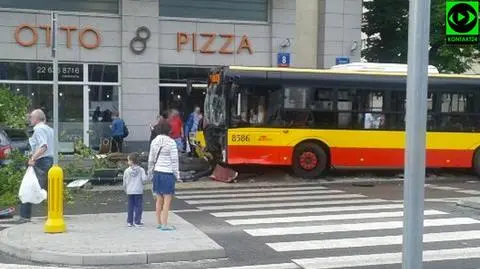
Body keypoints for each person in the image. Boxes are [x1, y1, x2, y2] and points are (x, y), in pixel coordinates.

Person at [20, 109, 54, 222]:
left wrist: (33, 158)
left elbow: (43, 146)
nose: (30, 119)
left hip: (40, 161)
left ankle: (24, 216)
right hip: (49, 160)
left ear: (37, 118)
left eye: (31, 117)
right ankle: (54, 213)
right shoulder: (50, 129)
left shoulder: (38, 129)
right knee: (49, 188)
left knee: (29, 187)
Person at [148, 122, 179, 231]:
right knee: (167, 200)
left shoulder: (154, 142)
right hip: (167, 173)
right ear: (168, 130)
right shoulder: (171, 143)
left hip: (157, 172)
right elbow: (174, 161)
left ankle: (159, 223)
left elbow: (151, 159)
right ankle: (165, 224)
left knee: (158, 199)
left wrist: (150, 173)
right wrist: (177, 175)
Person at [123, 153, 147, 227]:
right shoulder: (141, 170)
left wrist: (125, 189)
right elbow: (144, 180)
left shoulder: (127, 171)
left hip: (130, 191)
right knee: (138, 206)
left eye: (128, 160)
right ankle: (137, 221)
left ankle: (129, 222)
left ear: (132, 161)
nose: (128, 162)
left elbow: (124, 182)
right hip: (138, 191)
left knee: (130, 206)